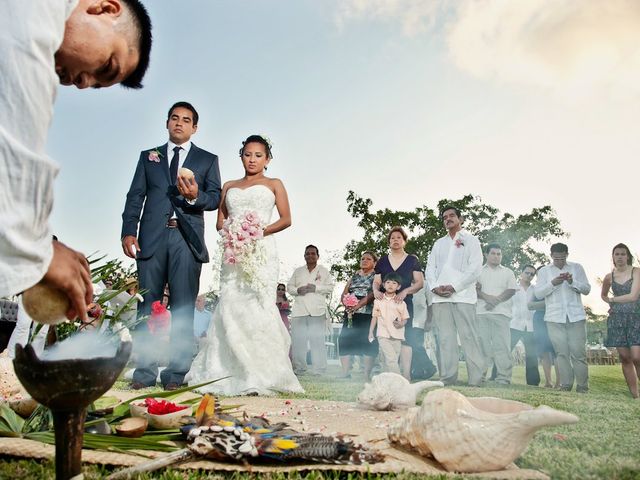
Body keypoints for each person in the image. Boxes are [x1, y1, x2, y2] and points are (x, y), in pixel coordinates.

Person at [0, 0, 151, 324]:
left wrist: (47, 243)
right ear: (105, 8)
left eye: (96, 85)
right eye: (107, 67)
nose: (83, 84)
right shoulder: (36, 15)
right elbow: (11, 144)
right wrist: (37, 253)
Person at [186, 135, 303, 396]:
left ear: (267, 159)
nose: (252, 159)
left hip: (261, 252)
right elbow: (219, 223)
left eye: (258, 155)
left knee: (258, 304)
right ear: (241, 156)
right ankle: (223, 367)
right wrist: (234, 232)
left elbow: (286, 219)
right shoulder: (228, 186)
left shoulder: (274, 184)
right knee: (231, 303)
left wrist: (257, 232)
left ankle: (263, 370)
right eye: (247, 154)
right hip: (233, 254)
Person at [121, 101, 221, 391]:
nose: (179, 123)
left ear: (195, 127)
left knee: (183, 308)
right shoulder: (148, 157)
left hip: (186, 240)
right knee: (147, 308)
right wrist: (129, 230)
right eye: (174, 118)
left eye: (186, 120)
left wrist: (194, 196)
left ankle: (176, 374)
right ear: (167, 123)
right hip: (151, 239)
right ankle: (144, 373)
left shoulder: (207, 159)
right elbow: (135, 196)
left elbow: (214, 198)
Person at [425, 206, 484, 386]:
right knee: (445, 338)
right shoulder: (438, 243)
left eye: (452, 216)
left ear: (460, 218)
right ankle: (448, 378)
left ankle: (476, 379)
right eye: (445, 217)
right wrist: (435, 288)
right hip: (440, 298)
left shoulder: (471, 240)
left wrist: (455, 286)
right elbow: (430, 268)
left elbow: (475, 268)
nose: (448, 219)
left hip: (464, 296)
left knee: (469, 337)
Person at [373, 227, 430, 380]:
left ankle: (405, 375)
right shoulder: (383, 261)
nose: (395, 240)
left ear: (404, 241)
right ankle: (387, 374)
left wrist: (405, 292)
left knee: (405, 339)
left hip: (404, 305)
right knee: (385, 337)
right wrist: (376, 291)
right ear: (389, 242)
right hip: (384, 305)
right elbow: (376, 282)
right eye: (392, 238)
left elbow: (419, 283)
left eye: (399, 237)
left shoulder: (412, 260)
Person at [535, 243, 591, 393]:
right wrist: (553, 283)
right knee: (561, 353)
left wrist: (572, 282)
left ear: (567, 254)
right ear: (551, 255)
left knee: (579, 353)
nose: (559, 261)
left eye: (562, 258)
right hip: (554, 318)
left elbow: (587, 289)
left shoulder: (576, 267)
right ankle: (565, 385)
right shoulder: (544, 272)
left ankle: (582, 387)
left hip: (576, 316)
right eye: (556, 258)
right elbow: (539, 294)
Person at [288, 245, 335, 376]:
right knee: (298, 342)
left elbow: (330, 288)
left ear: (317, 256)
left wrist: (316, 288)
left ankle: (319, 370)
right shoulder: (298, 271)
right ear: (304, 256)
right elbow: (289, 287)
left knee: (317, 341)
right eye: (307, 254)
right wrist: (297, 290)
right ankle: (299, 369)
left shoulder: (323, 271)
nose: (310, 256)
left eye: (313, 253)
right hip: (299, 311)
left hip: (317, 311)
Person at [601, 243, 640, 398]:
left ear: (628, 256)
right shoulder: (609, 277)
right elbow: (603, 296)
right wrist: (610, 301)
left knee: (637, 357)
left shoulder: (636, 272)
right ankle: (635, 395)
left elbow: (633, 296)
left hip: (636, 318)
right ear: (613, 257)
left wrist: (613, 299)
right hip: (617, 320)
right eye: (617, 254)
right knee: (625, 358)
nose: (620, 257)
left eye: (623, 254)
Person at [476, 243, 516, 384]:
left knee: (502, 346)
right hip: (482, 313)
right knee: (482, 346)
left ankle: (503, 378)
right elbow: (474, 290)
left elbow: (511, 290)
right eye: (493, 253)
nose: (496, 256)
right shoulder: (478, 271)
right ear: (486, 255)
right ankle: (479, 377)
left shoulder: (508, 272)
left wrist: (495, 301)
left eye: (499, 254)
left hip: (502, 314)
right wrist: (488, 298)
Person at [337, 251, 378, 380]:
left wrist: (358, 305)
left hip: (367, 313)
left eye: (368, 259)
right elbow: (344, 293)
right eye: (362, 258)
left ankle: (366, 374)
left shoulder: (376, 276)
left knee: (367, 342)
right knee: (344, 340)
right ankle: (345, 373)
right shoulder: (354, 276)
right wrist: (347, 303)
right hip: (350, 314)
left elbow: (372, 294)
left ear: (374, 263)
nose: (364, 261)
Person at [369, 273, 410, 375]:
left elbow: (405, 318)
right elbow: (375, 317)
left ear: (398, 286)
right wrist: (370, 332)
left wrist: (401, 323)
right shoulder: (378, 301)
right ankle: (399, 381)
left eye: (394, 283)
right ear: (383, 284)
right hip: (383, 334)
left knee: (389, 360)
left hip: (397, 335)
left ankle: (386, 381)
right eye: (388, 282)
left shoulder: (401, 302)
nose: (390, 285)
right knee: (391, 359)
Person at [510, 265, 541, 386]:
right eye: (527, 273)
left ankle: (533, 383)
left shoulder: (535, 290)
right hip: (514, 324)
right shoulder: (513, 288)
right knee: (505, 350)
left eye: (532, 274)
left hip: (530, 325)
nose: (529, 276)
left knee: (532, 355)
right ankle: (497, 376)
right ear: (521, 273)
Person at [528, 269, 559, 388]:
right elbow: (530, 305)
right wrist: (549, 304)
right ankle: (548, 381)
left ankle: (559, 382)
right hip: (539, 320)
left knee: (557, 351)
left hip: (554, 319)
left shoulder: (556, 285)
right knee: (544, 352)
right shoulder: (536, 289)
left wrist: (543, 305)